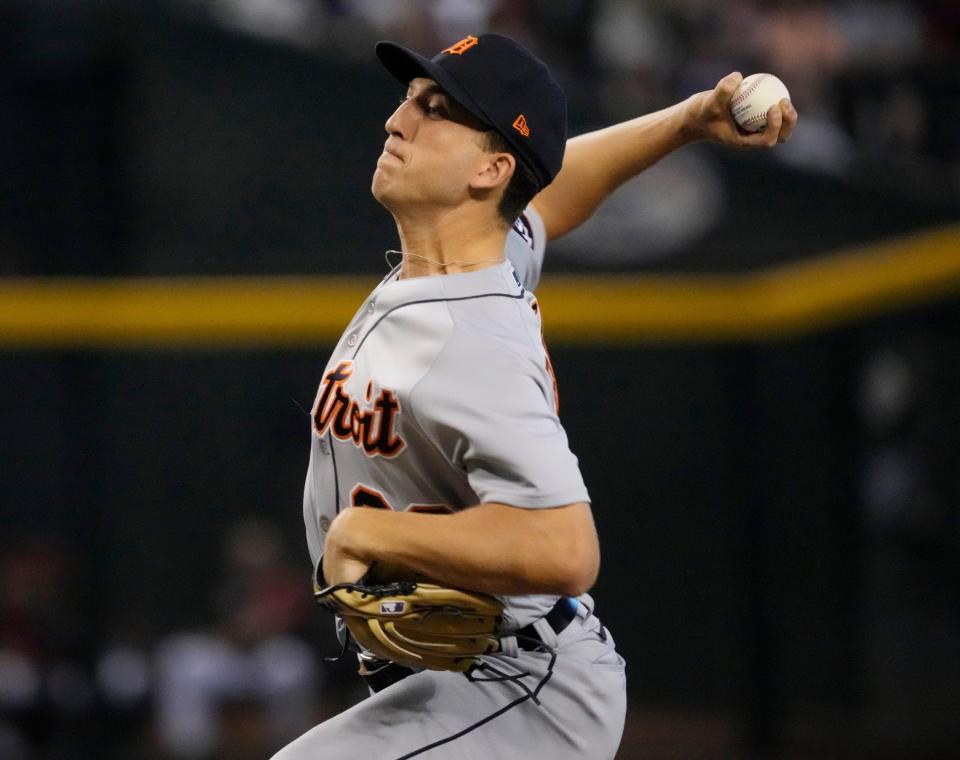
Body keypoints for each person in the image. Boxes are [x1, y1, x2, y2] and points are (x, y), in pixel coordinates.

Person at [272, 33, 796, 760]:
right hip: (472, 682)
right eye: (408, 100)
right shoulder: (478, 252)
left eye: (435, 109)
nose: (398, 121)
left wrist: (372, 536)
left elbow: (564, 545)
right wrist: (685, 122)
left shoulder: (471, 342)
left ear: (490, 169)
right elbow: (555, 189)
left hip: (520, 691)